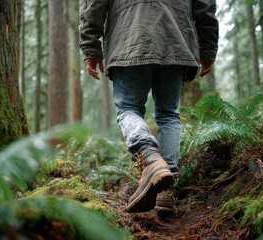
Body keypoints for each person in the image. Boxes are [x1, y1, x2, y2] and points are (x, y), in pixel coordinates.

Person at [79, 0, 219, 216]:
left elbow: (94, 4)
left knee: (128, 109)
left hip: (128, 38)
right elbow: (205, 6)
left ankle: (149, 157)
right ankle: (166, 190)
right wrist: (208, 47)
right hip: (174, 38)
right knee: (168, 115)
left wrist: (90, 45)